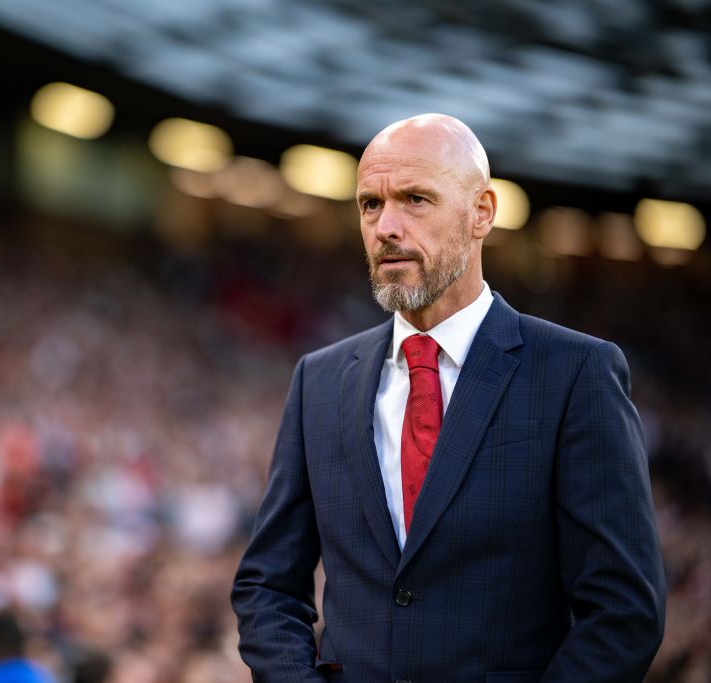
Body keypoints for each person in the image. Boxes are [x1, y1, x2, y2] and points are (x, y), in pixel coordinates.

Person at [231, 114, 666, 683]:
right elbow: (267, 584)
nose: (386, 226)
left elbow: (624, 612)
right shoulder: (320, 378)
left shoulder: (576, 372)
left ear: (481, 212)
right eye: (369, 204)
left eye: (415, 199)